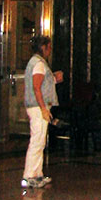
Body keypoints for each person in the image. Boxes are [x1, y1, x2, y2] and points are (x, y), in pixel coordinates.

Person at [21, 35, 63, 189]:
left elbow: (41, 84)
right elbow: (36, 88)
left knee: (40, 141)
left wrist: (53, 79)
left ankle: (37, 174)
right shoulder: (38, 64)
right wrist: (43, 108)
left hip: (38, 107)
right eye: (49, 47)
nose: (50, 50)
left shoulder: (37, 63)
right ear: (43, 47)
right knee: (37, 141)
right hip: (38, 108)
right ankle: (29, 175)